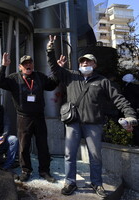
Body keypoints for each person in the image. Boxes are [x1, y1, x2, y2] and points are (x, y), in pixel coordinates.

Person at [46, 35, 138, 198]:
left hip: (93, 124)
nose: (85, 64)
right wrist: (50, 50)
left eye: (88, 61)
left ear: (94, 64)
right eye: (82, 62)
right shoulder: (71, 76)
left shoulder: (102, 81)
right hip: (73, 123)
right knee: (69, 154)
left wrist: (129, 114)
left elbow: (118, 98)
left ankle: (97, 183)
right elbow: (54, 68)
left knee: (95, 156)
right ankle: (70, 182)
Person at [0, 53, 58, 182]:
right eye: (25, 64)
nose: (28, 65)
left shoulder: (39, 77)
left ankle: (44, 171)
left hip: (39, 116)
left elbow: (52, 85)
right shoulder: (13, 79)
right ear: (20, 67)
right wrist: (3, 66)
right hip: (24, 118)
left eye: (30, 63)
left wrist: (58, 70)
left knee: (43, 146)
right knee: (24, 146)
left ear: (33, 64)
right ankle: (26, 170)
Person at [122, 73, 139, 146]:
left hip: (131, 109)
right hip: (134, 109)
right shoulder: (135, 87)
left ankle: (135, 142)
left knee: (133, 127)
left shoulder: (127, 88)